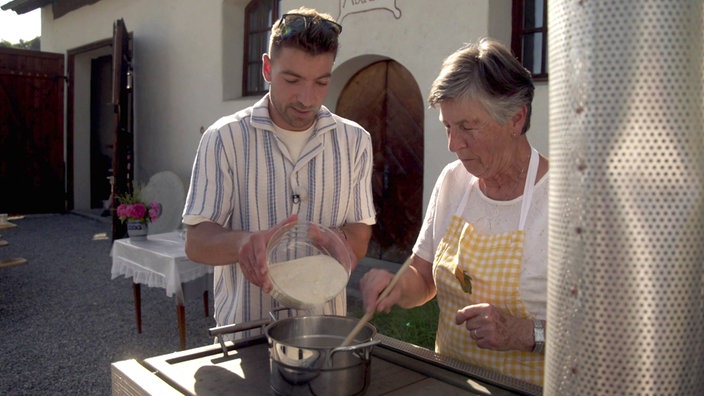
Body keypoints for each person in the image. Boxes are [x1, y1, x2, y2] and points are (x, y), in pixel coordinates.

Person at [360, 38, 548, 386]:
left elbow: (609, 329)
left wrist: (526, 333)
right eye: (448, 126)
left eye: (467, 127)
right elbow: (424, 276)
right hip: (449, 383)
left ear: (516, 119)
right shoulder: (454, 181)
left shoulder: (563, 201)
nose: (452, 144)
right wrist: (398, 286)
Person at [182, 7, 375, 337]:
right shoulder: (224, 138)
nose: (306, 98)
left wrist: (343, 243)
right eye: (292, 80)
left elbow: (359, 228)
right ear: (267, 69)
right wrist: (243, 243)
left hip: (323, 331)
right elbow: (197, 242)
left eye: (321, 82)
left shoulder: (354, 140)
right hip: (246, 334)